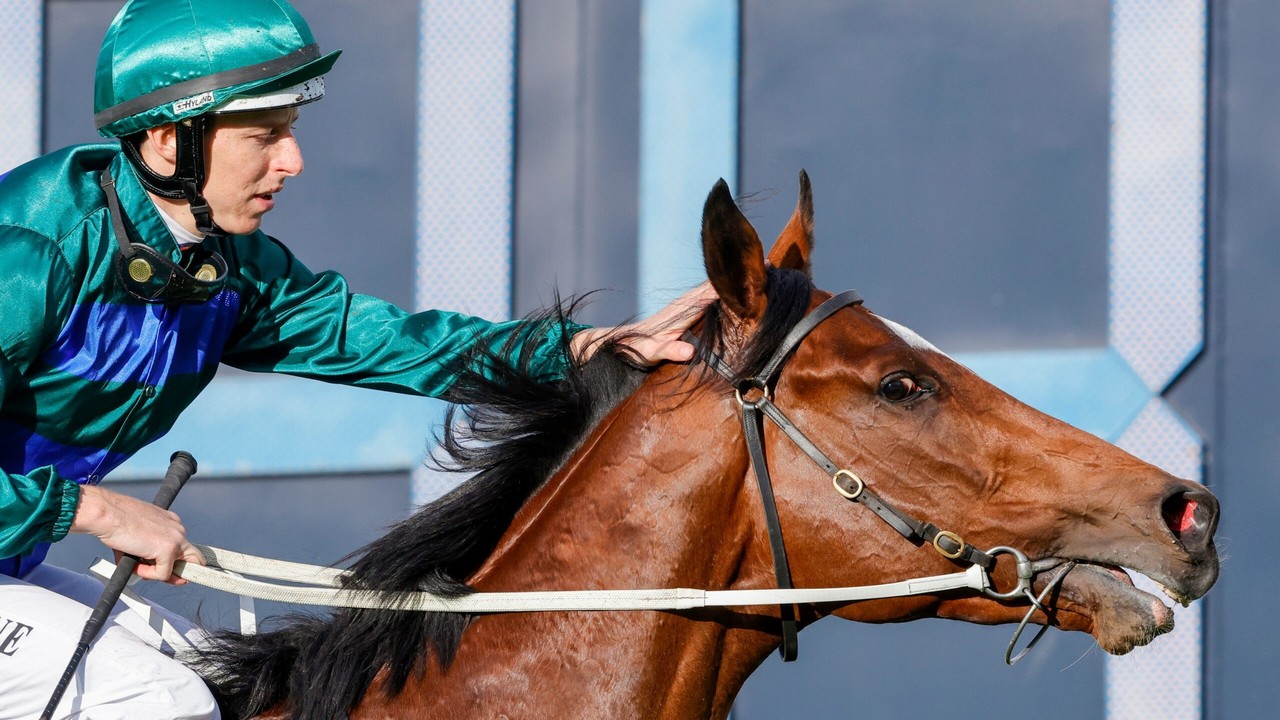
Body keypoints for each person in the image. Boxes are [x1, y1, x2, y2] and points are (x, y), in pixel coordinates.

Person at [0, 0, 711, 717]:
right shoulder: (28, 253)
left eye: (292, 132)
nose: (293, 162)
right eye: (263, 136)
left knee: (227, 685)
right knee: (158, 702)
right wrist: (92, 510)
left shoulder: (226, 267)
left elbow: (386, 340)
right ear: (165, 142)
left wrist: (577, 350)